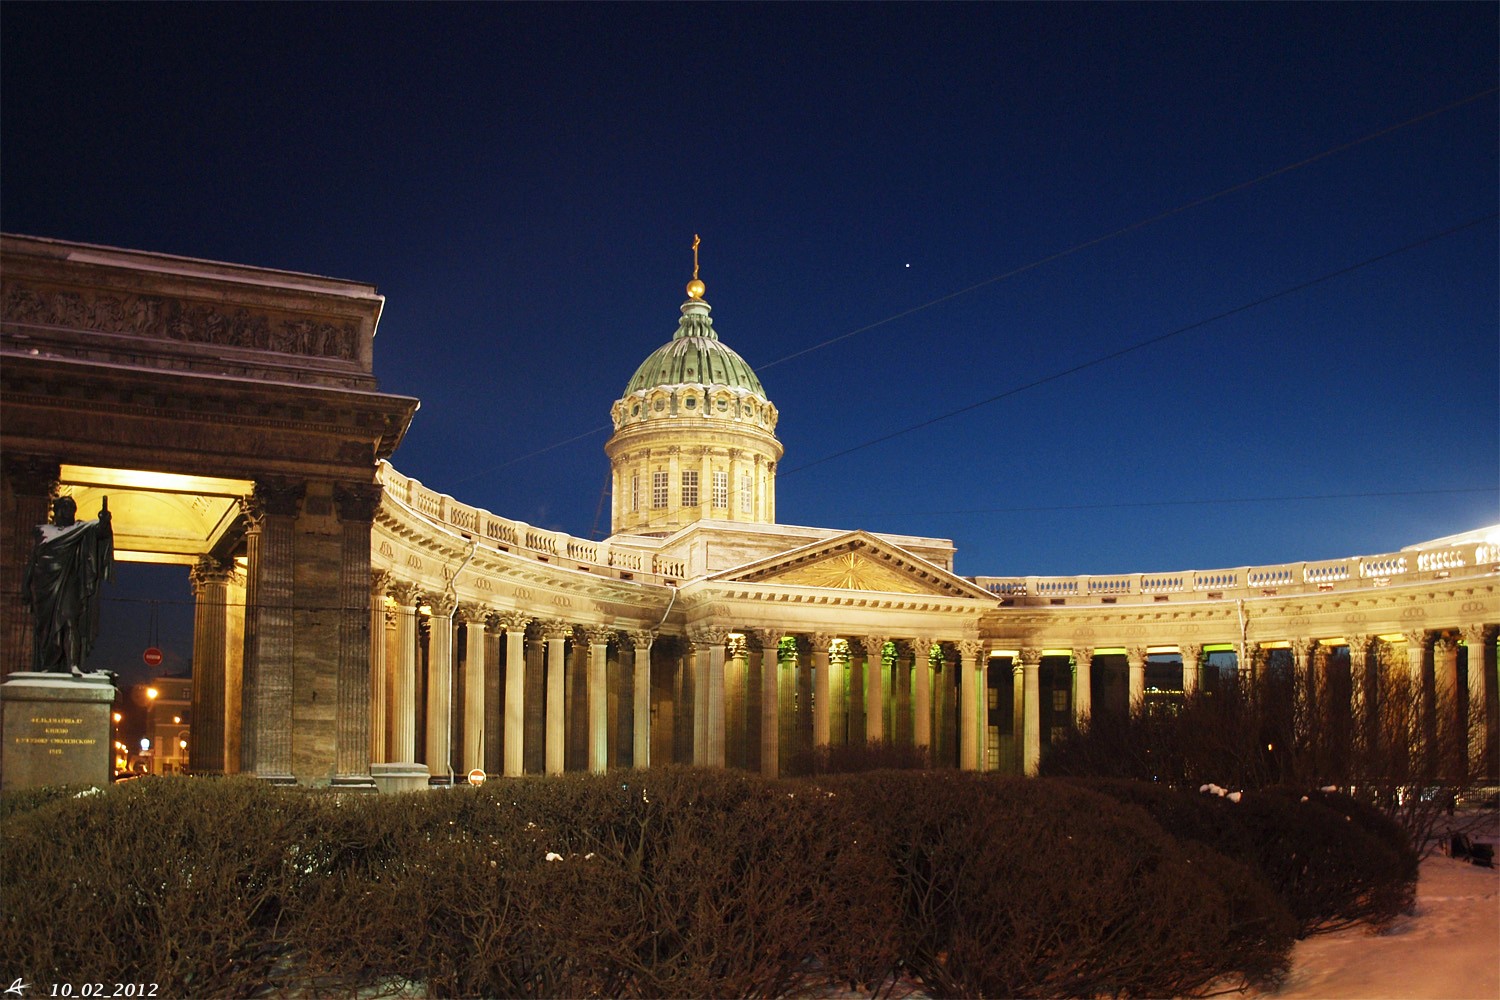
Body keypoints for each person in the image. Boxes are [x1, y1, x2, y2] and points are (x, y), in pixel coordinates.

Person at [22, 495, 113, 674]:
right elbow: (33, 559)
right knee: (46, 628)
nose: (68, 511)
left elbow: (100, 532)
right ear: (56, 510)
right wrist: (26, 585)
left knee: (70, 621)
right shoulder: (42, 530)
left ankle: (73, 664)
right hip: (44, 585)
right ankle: (49, 665)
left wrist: (104, 520)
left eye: (71, 508)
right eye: (64, 507)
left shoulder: (79, 528)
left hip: (68, 581)